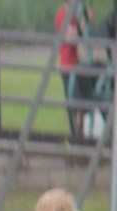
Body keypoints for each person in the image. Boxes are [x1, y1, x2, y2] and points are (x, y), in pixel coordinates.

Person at [56, 0, 95, 136]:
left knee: (80, 105)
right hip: (68, 67)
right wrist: (84, 22)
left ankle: (80, 134)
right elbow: (70, 37)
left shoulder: (73, 16)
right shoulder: (63, 15)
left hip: (75, 65)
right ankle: (76, 134)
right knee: (75, 106)